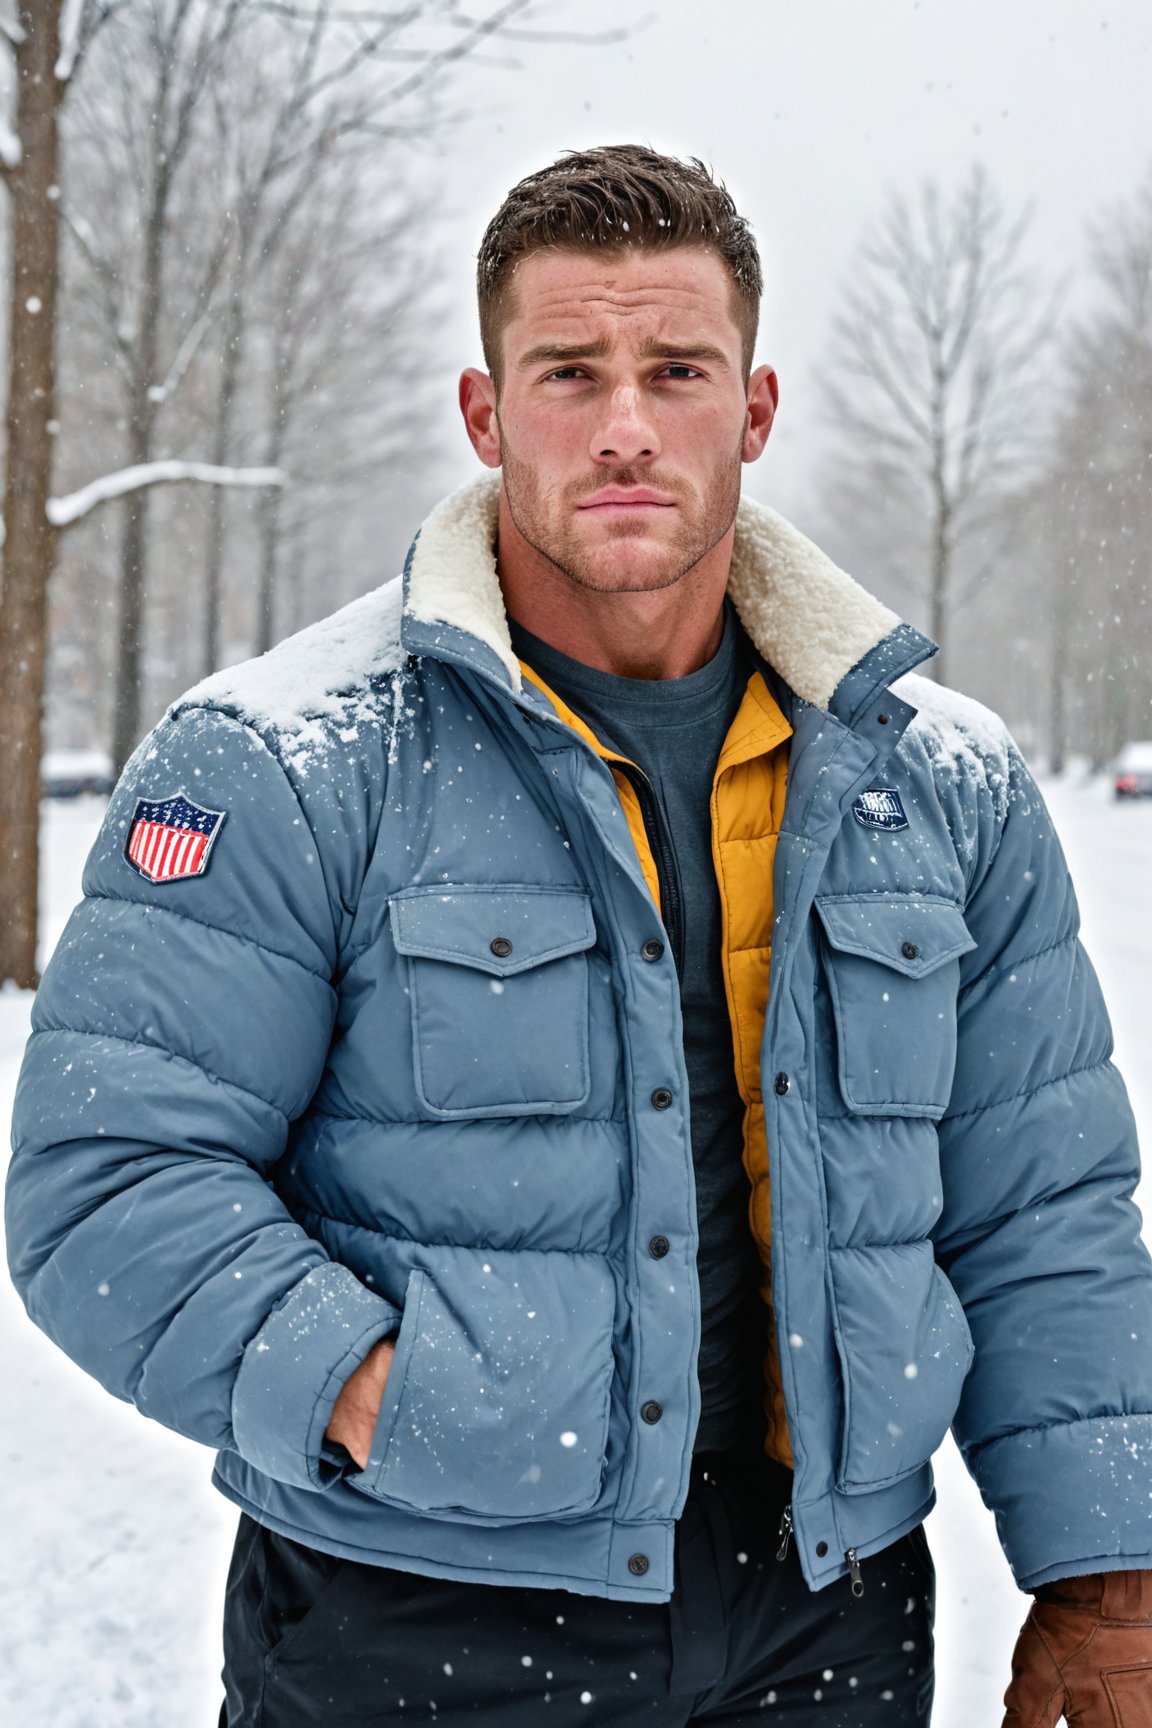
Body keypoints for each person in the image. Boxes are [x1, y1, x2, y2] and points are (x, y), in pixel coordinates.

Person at [7, 145, 1152, 1727]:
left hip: (830, 1633)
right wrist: (382, 1398)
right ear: (487, 414)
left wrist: (1106, 1592)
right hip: (415, 1627)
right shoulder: (285, 758)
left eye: (677, 370)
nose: (626, 426)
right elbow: (107, 1177)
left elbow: (1043, 1208)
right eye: (569, 371)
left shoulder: (937, 780)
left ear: (752, 411)